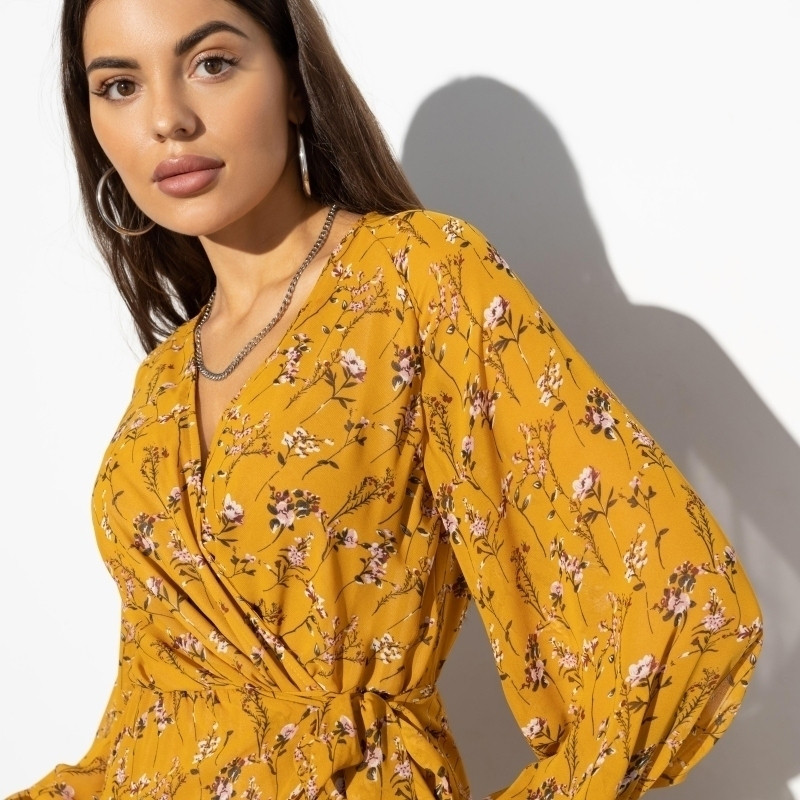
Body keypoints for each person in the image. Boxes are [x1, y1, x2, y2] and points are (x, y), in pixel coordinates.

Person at [8, 0, 763, 798]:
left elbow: (682, 614)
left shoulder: (418, 279)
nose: (167, 119)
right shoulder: (160, 385)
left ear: (294, 82)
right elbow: (145, 720)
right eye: (119, 85)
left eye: (212, 64)